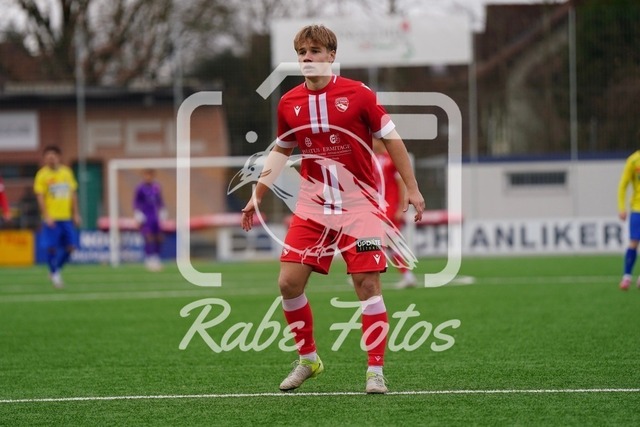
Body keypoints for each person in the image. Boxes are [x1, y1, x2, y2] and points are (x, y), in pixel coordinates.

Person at [240, 25, 425, 394]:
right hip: (313, 207)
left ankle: (375, 370)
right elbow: (281, 151)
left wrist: (412, 187)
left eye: (314, 51)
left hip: (360, 207)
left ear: (331, 55)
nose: (307, 58)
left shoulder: (359, 94)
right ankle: (308, 359)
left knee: (367, 285)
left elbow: (393, 139)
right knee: (288, 283)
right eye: (301, 52)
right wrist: (257, 194)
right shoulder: (289, 102)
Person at [372, 138, 418, 289]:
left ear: (379, 141)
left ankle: (369, 274)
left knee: (381, 241)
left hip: (390, 207)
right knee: (385, 242)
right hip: (377, 207)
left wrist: (400, 208)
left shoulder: (392, 159)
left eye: (372, 140)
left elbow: (401, 183)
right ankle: (407, 276)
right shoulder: (374, 159)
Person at [34, 145, 81, 288]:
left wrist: (76, 213)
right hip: (52, 218)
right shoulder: (42, 175)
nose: (51, 158)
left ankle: (56, 270)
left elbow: (73, 194)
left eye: (53, 156)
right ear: (44, 159)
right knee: (51, 248)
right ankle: (55, 275)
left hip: (66, 217)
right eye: (48, 156)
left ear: (59, 157)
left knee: (71, 247)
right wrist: (46, 216)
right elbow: (40, 197)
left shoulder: (67, 173)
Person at [133, 168, 167, 271]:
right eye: (146, 175)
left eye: (150, 175)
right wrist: (137, 213)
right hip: (146, 216)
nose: (148, 177)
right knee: (148, 237)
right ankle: (148, 259)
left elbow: (159, 200)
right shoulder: (140, 188)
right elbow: (136, 202)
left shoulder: (156, 187)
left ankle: (156, 258)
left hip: (155, 216)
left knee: (158, 237)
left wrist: (163, 210)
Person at [617, 149, 640, 290]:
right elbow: (623, 185)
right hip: (637, 208)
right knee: (634, 242)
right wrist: (621, 207)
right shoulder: (633, 161)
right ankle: (627, 277)